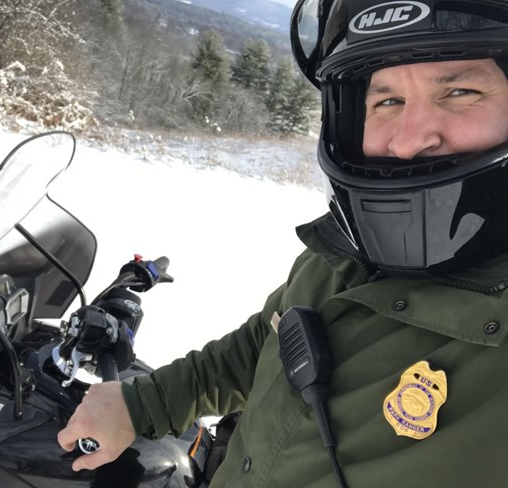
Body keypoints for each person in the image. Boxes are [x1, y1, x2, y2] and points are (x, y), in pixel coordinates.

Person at [58, 0, 508, 486]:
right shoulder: (342, 253)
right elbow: (265, 344)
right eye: (387, 101)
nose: (406, 141)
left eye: (462, 90)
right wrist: (144, 402)